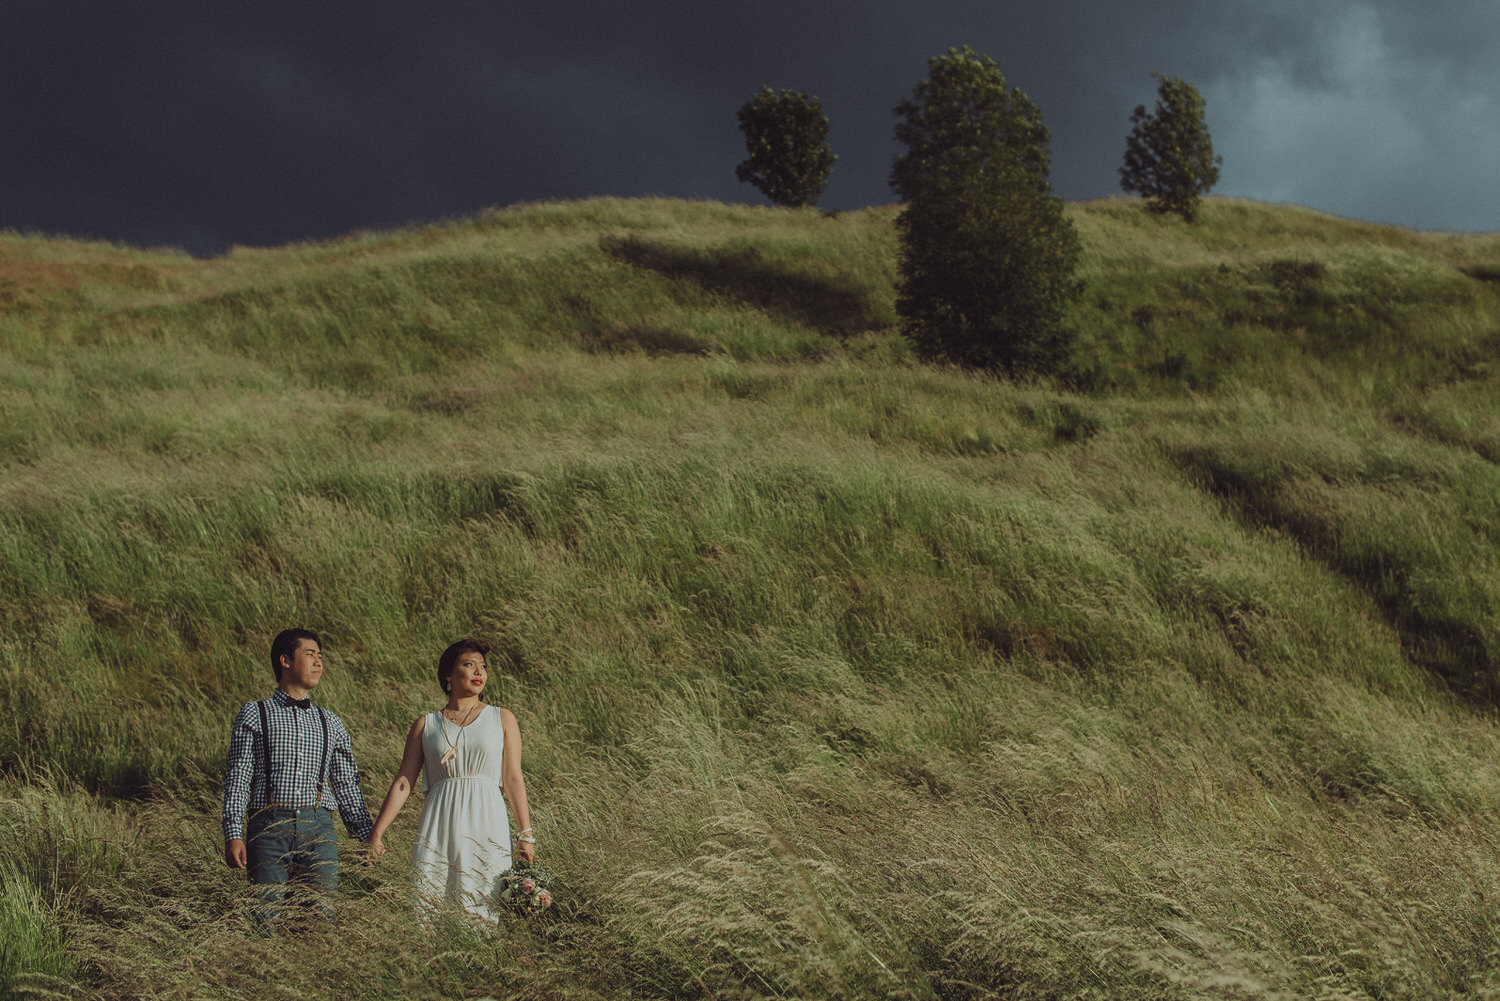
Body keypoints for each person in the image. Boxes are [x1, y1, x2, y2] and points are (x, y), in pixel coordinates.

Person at [368, 638, 535, 920]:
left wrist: (525, 834)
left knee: (483, 901)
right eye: (469, 665)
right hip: (439, 819)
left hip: (486, 819)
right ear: (448, 674)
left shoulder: (502, 718)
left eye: (483, 666)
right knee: (430, 899)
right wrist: (377, 833)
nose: (479, 672)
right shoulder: (426, 724)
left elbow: (513, 779)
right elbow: (403, 782)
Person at [222, 629, 374, 931]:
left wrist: (366, 836)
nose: (319, 662)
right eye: (310, 655)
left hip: (319, 828)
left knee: (321, 920)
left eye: (321, 657)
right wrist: (232, 832)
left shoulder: (330, 721)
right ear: (285, 661)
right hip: (267, 828)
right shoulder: (254, 713)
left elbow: (346, 785)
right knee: (264, 918)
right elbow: (238, 776)